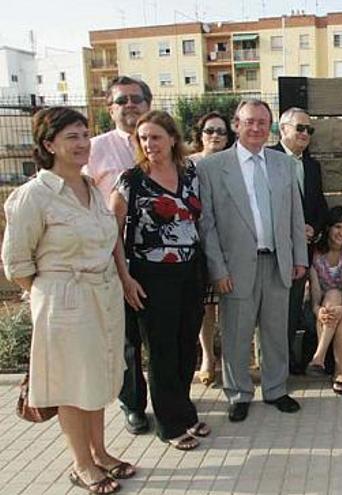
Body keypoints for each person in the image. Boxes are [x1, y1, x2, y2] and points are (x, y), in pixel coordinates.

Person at [3, 107, 135, 494]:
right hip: (64, 302)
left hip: (102, 296)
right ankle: (82, 464)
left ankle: (100, 452)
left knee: (96, 379)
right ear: (49, 145)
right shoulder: (34, 195)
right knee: (71, 385)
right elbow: (16, 263)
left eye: (85, 135)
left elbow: (108, 239)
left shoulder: (91, 187)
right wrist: (50, 296)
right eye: (71, 137)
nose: (82, 143)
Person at [197, 99, 309, 423]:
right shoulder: (212, 167)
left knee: (275, 332)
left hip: (277, 262)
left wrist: (299, 257)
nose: (257, 128)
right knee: (236, 333)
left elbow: (295, 215)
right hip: (235, 267)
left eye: (263, 122)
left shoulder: (284, 164)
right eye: (250, 122)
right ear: (236, 125)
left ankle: (275, 389)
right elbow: (207, 225)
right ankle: (238, 393)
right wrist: (217, 269)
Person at [109, 110, 209, 450]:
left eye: (156, 137)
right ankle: (169, 425)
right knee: (162, 349)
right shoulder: (131, 180)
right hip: (151, 275)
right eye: (143, 138)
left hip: (190, 271)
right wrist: (125, 279)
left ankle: (185, 411)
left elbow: (196, 221)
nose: (149, 144)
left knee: (186, 345)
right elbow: (112, 233)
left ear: (172, 138)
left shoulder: (189, 173)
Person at [86, 75, 153, 435]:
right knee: (127, 340)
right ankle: (133, 405)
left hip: (159, 258)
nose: (130, 105)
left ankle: (171, 399)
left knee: (163, 336)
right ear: (110, 108)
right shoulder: (95, 149)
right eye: (122, 100)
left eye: (136, 99)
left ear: (148, 104)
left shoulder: (161, 143)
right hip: (114, 257)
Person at [269, 107, 330, 373]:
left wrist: (313, 228)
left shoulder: (312, 166)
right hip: (273, 250)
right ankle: (271, 361)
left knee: (293, 305)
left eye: (309, 129)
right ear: (283, 129)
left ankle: (286, 359)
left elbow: (319, 205)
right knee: (272, 309)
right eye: (300, 128)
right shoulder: (267, 159)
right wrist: (292, 228)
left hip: (302, 250)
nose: (305, 134)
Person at [188, 111, 235, 387]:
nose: (215, 136)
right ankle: (208, 357)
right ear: (200, 134)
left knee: (230, 304)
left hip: (229, 243)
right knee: (205, 306)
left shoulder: (234, 164)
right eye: (209, 130)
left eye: (221, 131)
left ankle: (232, 359)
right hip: (196, 244)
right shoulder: (188, 165)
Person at [305, 206, 342, 395]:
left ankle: (319, 357)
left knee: (341, 303)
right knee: (334, 299)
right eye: (338, 227)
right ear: (328, 228)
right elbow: (315, 288)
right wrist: (316, 309)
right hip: (322, 308)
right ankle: (339, 371)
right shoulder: (315, 252)